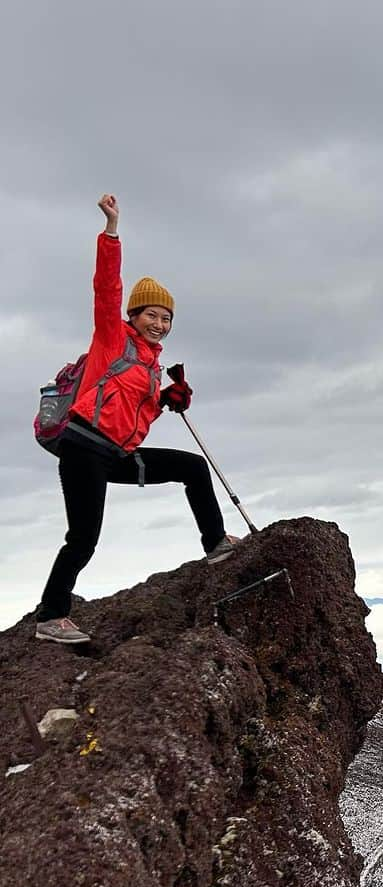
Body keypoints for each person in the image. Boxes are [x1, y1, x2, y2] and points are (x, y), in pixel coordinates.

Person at [34, 193, 238, 645]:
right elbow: (105, 287)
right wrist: (111, 230)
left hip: (118, 454)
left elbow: (133, 416)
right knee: (83, 538)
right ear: (134, 314)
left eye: (167, 318)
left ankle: (216, 546)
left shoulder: (150, 365)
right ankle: (51, 617)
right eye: (152, 314)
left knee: (191, 467)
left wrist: (166, 398)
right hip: (84, 447)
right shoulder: (113, 338)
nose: (160, 324)